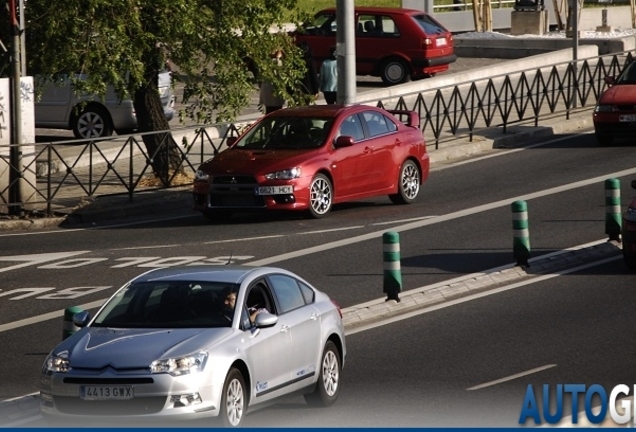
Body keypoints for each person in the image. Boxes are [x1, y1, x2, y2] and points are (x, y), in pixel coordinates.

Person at [259, 49, 286, 114]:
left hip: (266, 92)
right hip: (276, 92)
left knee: (268, 112)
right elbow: (282, 76)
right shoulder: (278, 62)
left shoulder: (265, 63)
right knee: (278, 112)